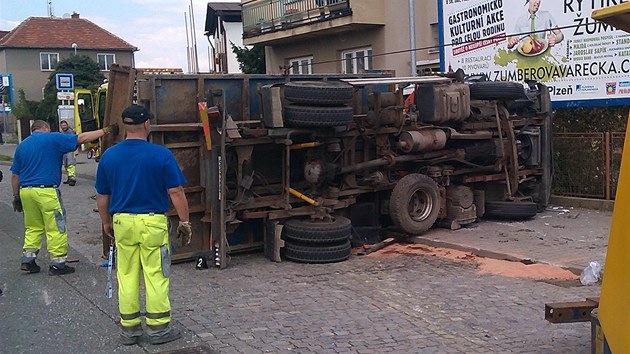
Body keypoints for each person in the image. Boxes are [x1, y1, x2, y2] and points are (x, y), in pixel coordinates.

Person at [95, 104, 192, 346]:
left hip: (122, 222)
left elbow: (102, 197)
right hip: (152, 223)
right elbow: (176, 191)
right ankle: (158, 330)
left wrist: (106, 222)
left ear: (125, 126)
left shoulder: (109, 155)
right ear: (147, 124)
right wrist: (185, 221)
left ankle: (129, 330)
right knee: (156, 274)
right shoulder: (160, 155)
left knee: (126, 275)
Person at [11, 119, 118, 276]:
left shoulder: (22, 146)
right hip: (46, 191)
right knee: (56, 226)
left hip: (26, 192)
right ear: (45, 128)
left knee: (33, 226)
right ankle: (58, 263)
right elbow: (82, 138)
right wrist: (105, 130)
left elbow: (15, 176)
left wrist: (16, 196)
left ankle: (28, 260)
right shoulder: (52, 138)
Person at [59, 120, 78, 186]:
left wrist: (76, 150)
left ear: (67, 125)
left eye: (64, 125)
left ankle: (72, 179)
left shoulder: (70, 132)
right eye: (62, 126)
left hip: (70, 150)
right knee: (66, 165)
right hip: (65, 151)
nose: (63, 127)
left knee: (70, 164)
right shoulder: (62, 132)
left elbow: (75, 141)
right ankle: (69, 178)